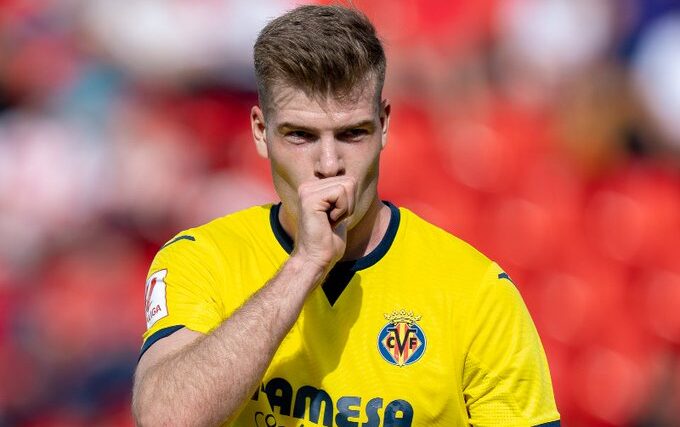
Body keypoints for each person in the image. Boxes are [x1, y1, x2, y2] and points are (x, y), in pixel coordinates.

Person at [132, 5, 560, 427]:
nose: (329, 163)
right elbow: (166, 418)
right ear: (261, 132)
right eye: (300, 136)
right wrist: (304, 266)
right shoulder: (202, 259)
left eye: (352, 133)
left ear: (384, 124)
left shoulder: (477, 293)